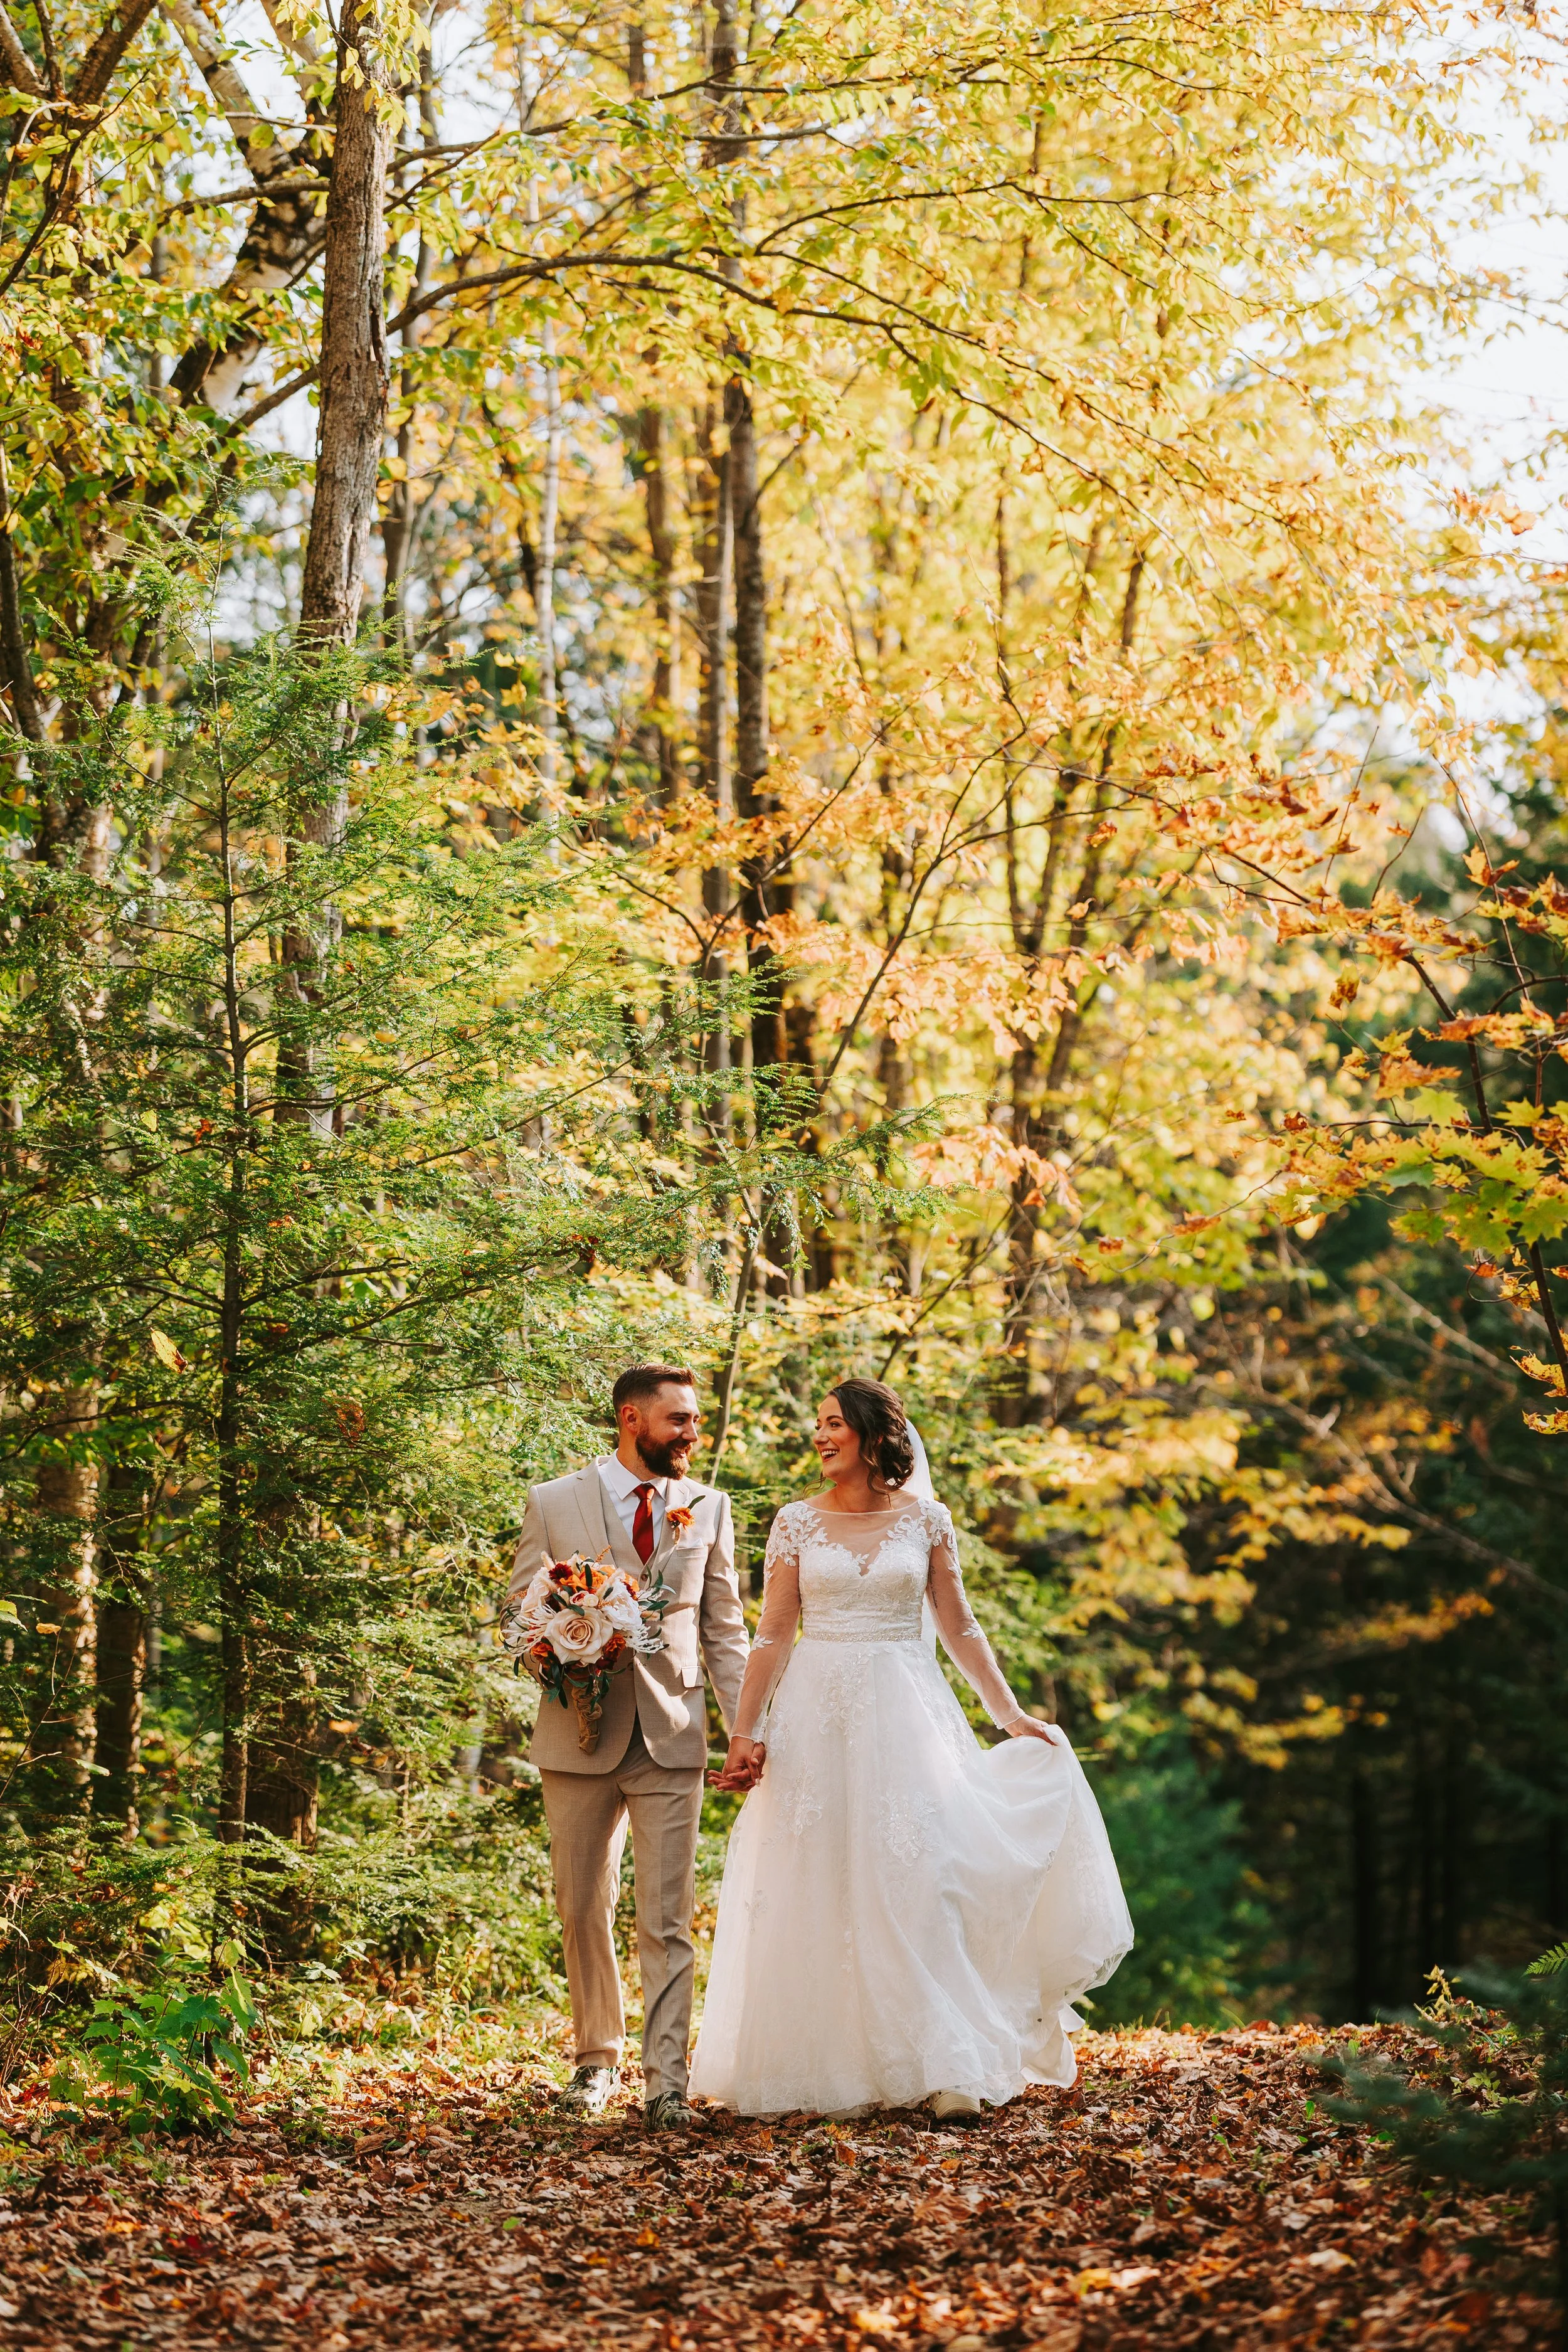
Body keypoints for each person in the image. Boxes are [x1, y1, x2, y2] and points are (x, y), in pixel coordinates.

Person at [689, 1377, 1131, 2120]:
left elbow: (960, 1628)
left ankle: (948, 2058)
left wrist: (1011, 1715)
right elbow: (771, 1635)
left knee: (922, 1879)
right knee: (816, 1878)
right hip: (814, 1718)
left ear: (871, 1435)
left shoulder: (927, 1520)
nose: (821, 1436)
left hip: (907, 1716)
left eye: (834, 1424)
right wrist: (743, 1733)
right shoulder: (794, 1522)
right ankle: (822, 2065)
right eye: (818, 1424)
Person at [510, 1365, 749, 2128]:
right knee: (582, 1905)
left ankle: (666, 2082)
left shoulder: (708, 1507)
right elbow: (520, 1616)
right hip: (577, 1734)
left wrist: (744, 1727)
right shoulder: (553, 1502)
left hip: (672, 1734)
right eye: (677, 1420)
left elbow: (723, 1629)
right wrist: (560, 1647)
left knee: (666, 1915)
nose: (691, 1434)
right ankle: (595, 2059)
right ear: (630, 1419)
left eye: (693, 1420)